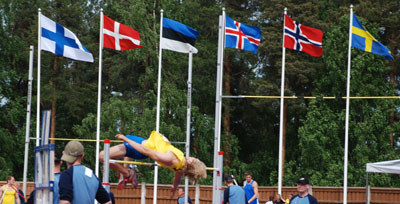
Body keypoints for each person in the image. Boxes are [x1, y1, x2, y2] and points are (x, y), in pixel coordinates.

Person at [100, 131, 207, 197]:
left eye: (195, 158)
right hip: (144, 142)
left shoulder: (170, 159)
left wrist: (126, 139)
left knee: (102, 156)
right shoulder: (180, 165)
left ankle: (127, 173)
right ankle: (125, 172)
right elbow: (177, 179)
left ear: (191, 161)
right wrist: (173, 190)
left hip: (140, 148)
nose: (193, 157)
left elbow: (146, 151)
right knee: (107, 156)